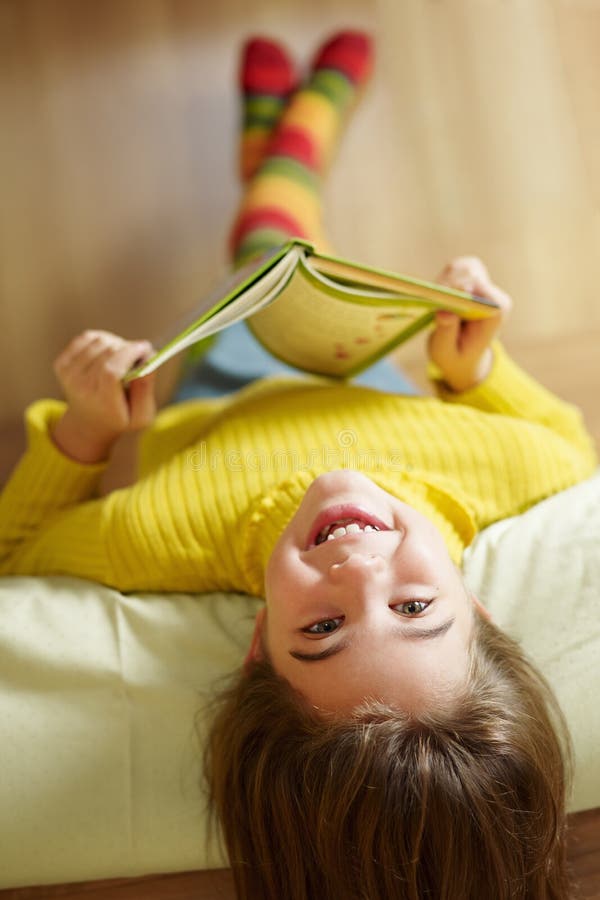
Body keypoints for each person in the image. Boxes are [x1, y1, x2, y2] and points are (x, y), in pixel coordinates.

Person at [0, 30, 596, 900]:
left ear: (254, 651)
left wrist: (86, 433)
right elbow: (568, 440)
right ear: (478, 603)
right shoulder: (511, 474)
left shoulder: (155, 543)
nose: (357, 574)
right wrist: (475, 370)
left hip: (219, 385)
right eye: (416, 606)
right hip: (365, 364)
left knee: (264, 260)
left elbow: (19, 551)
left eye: (320, 631)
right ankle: (283, 153)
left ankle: (288, 152)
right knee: (288, 258)